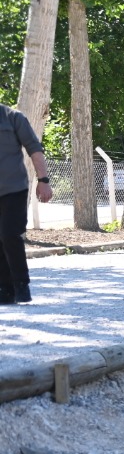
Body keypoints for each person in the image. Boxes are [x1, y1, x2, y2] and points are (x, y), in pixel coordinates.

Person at [0, 102, 52, 304]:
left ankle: (21, 284)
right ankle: (5, 289)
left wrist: (43, 180)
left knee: (10, 235)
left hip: (14, 189)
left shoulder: (13, 117)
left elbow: (34, 149)